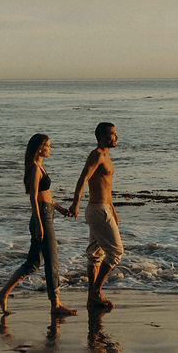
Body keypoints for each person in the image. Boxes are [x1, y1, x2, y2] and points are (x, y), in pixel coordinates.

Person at [0, 133, 76, 316]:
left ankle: (2, 294)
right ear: (40, 147)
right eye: (48, 145)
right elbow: (33, 197)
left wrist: (60, 208)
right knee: (52, 262)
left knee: (32, 263)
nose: (50, 148)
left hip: (47, 214)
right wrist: (39, 223)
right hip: (42, 218)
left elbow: (44, 196)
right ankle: (55, 305)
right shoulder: (35, 169)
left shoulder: (40, 167)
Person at [69, 122, 123, 308]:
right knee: (116, 252)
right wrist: (75, 202)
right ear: (101, 136)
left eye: (115, 134)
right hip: (98, 209)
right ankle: (95, 292)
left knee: (95, 254)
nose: (115, 137)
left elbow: (107, 188)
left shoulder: (106, 157)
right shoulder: (97, 154)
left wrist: (113, 211)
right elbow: (83, 177)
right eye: (112, 134)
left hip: (104, 208)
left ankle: (92, 297)